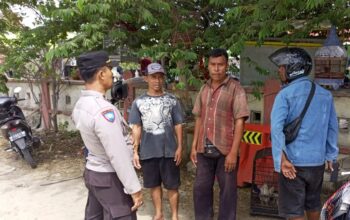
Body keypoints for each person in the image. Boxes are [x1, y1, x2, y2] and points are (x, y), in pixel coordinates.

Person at [72, 50, 143, 220]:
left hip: (94, 173)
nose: (112, 73)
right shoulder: (103, 110)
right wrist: (134, 189)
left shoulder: (81, 104)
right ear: (101, 74)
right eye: (109, 68)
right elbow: (117, 155)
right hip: (109, 177)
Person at [269, 47, 339, 220]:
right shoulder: (325, 95)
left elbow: (276, 129)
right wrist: (331, 156)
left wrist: (281, 160)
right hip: (316, 164)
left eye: (282, 66)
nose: (279, 70)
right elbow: (332, 127)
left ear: (293, 68)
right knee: (313, 204)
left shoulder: (284, 95)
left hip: (293, 164)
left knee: (294, 211)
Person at [190, 48, 250, 220]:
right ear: (208, 66)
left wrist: (233, 153)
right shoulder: (204, 89)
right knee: (200, 189)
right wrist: (194, 146)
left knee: (228, 193)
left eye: (220, 65)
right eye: (213, 65)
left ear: (226, 65)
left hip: (226, 151)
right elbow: (199, 118)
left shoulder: (236, 89)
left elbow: (240, 121)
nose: (216, 69)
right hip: (203, 149)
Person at [129, 63, 184, 220]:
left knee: (172, 186)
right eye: (153, 77)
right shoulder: (138, 103)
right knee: (153, 184)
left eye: (160, 77)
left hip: (170, 151)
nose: (157, 81)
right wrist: (135, 151)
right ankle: (158, 214)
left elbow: (178, 124)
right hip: (148, 151)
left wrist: (180, 147)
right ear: (146, 78)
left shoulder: (172, 100)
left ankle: (174, 216)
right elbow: (136, 127)